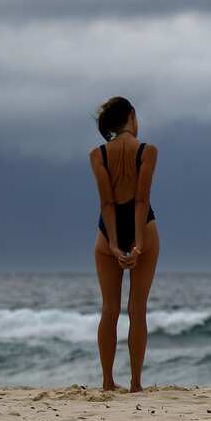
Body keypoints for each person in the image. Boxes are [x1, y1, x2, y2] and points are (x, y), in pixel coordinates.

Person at [90, 96, 160, 392]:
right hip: (143, 227)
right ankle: (135, 383)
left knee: (109, 309)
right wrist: (139, 244)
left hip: (108, 232)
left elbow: (106, 203)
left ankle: (107, 382)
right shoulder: (147, 151)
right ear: (132, 116)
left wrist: (116, 246)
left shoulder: (98, 154)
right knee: (137, 309)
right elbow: (142, 200)